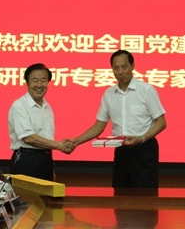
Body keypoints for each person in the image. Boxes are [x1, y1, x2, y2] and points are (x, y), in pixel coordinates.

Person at [71, 50, 166, 189]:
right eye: (116, 68)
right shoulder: (109, 94)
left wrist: (141, 138)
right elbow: (98, 126)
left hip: (144, 149)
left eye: (124, 67)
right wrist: (75, 142)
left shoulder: (146, 90)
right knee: (120, 192)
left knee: (145, 195)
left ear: (132, 66)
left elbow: (161, 122)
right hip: (121, 149)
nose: (120, 72)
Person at [8, 63, 74, 181]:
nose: (39, 85)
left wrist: (50, 167)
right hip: (26, 160)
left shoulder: (47, 106)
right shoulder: (19, 106)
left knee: (48, 193)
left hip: (46, 159)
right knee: (26, 193)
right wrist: (59, 145)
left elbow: (46, 137)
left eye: (43, 81)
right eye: (35, 80)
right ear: (27, 83)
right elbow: (28, 138)